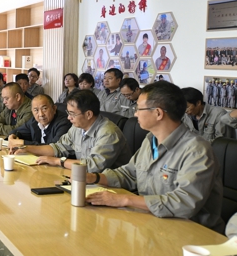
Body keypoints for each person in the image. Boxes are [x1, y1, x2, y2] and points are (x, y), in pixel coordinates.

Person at [84, 82, 224, 232]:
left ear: (158, 113)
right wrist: (94, 178)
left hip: (191, 233)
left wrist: (125, 199)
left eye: (139, 109)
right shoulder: (151, 140)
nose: (135, 114)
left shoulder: (196, 150)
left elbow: (185, 202)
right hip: (153, 223)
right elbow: (130, 173)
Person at [21, 90, 131, 172]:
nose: (68, 117)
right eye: (68, 113)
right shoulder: (77, 128)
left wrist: (58, 161)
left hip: (111, 187)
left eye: (72, 114)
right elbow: (59, 147)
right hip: (85, 179)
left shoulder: (108, 133)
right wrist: (26, 149)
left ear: (88, 114)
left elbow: (93, 166)